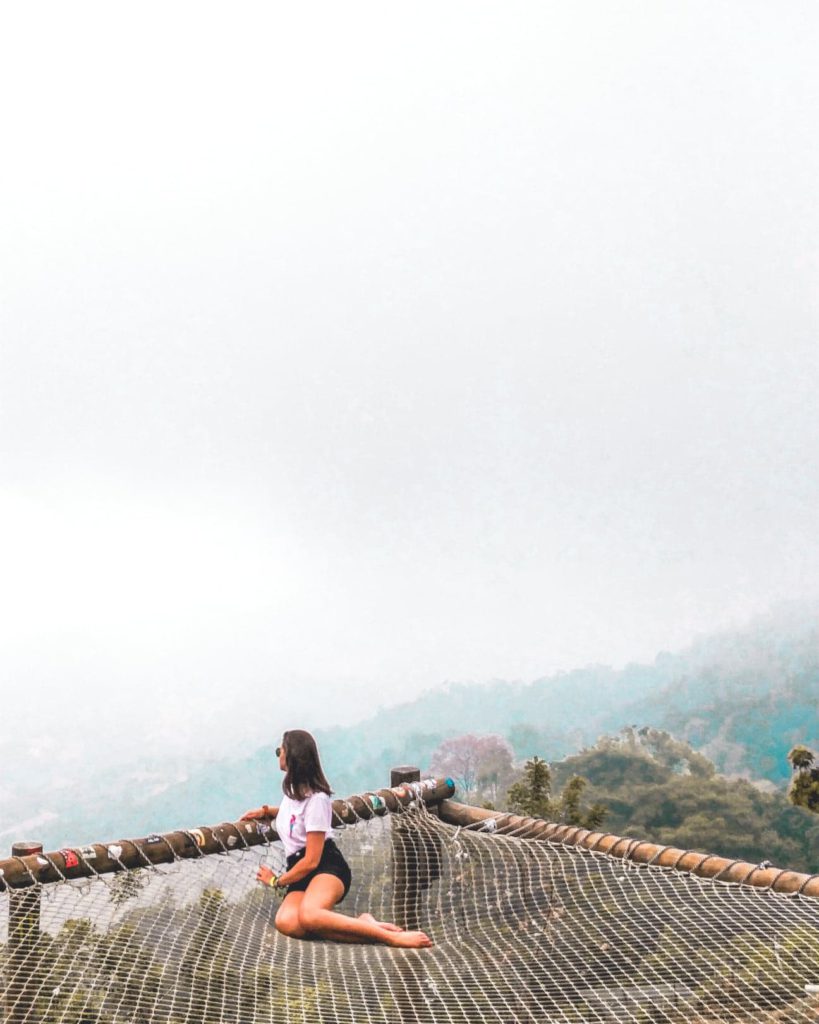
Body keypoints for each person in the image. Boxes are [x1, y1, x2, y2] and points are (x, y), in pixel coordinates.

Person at [241, 729, 432, 948]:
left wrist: (276, 881)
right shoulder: (292, 791)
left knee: (310, 916)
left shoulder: (317, 799)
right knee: (288, 923)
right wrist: (266, 811)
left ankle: (393, 938)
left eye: (279, 751)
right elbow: (295, 816)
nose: (278, 755)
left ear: (292, 757)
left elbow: (312, 860)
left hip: (324, 867)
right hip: (300, 870)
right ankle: (367, 925)